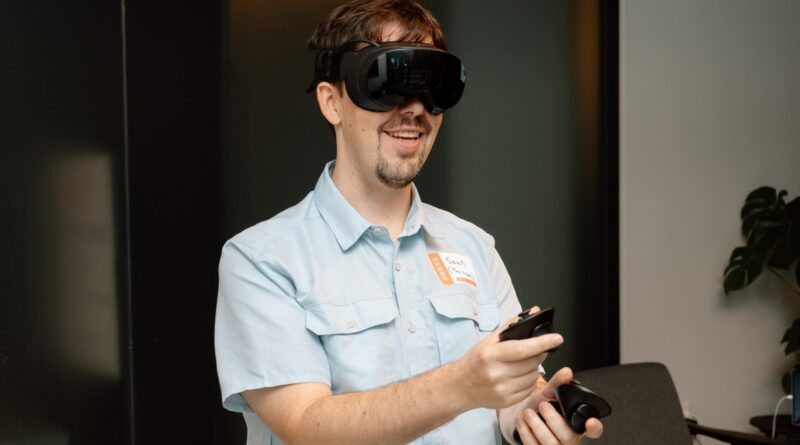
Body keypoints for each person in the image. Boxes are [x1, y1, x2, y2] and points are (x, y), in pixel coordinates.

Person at [214, 1, 604, 444]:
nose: (416, 109)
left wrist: (536, 415)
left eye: (433, 87)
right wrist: (459, 386)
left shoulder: (473, 247)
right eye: (390, 83)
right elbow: (306, 426)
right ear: (331, 102)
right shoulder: (262, 260)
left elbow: (510, 394)